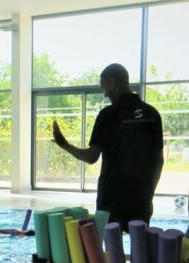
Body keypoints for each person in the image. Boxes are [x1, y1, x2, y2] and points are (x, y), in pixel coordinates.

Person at [52, 63, 163, 231]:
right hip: (141, 198)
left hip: (112, 196)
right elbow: (159, 161)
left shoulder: (107, 115)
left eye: (104, 87)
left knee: (110, 249)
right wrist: (149, 194)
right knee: (140, 249)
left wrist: (65, 145)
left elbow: (91, 157)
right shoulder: (151, 114)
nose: (104, 94)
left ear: (112, 82)